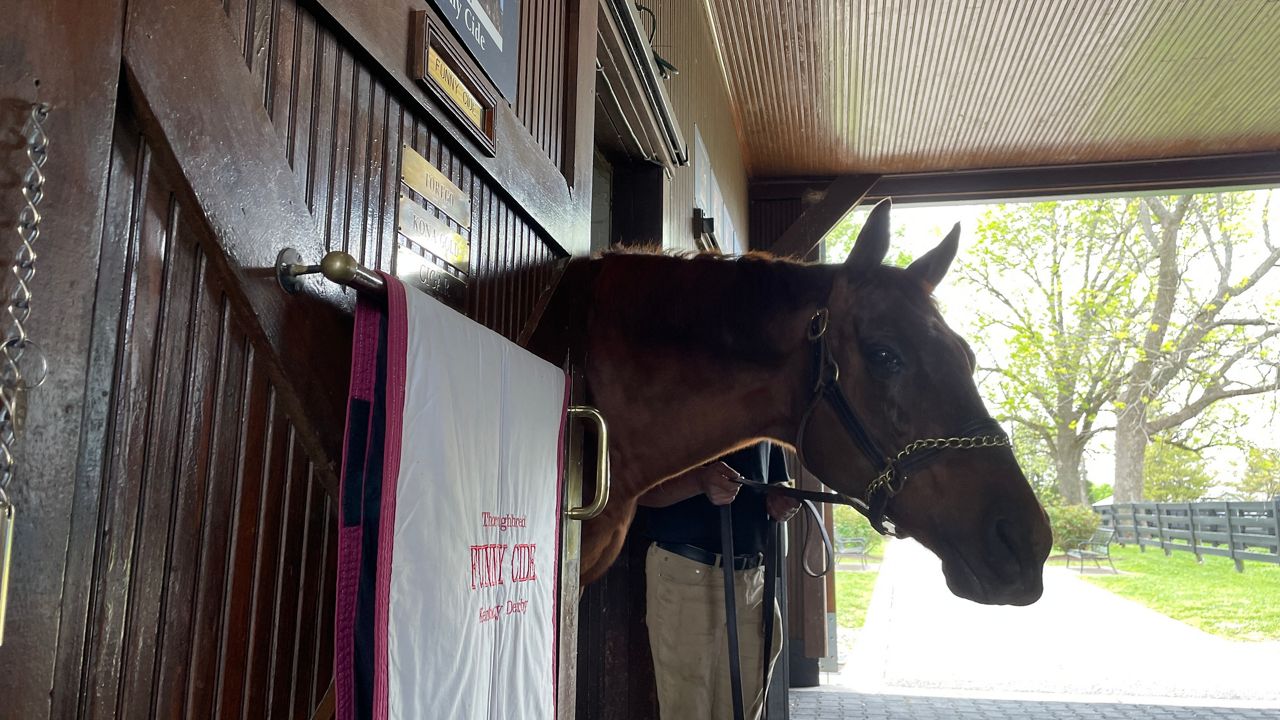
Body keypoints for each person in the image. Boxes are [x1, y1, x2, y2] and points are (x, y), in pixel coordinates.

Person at [637, 442, 800, 720]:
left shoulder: (762, 405)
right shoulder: (666, 399)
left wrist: (782, 497)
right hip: (686, 572)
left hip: (754, 579)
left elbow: (776, 479)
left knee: (746, 712)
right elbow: (636, 487)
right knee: (687, 712)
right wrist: (699, 480)